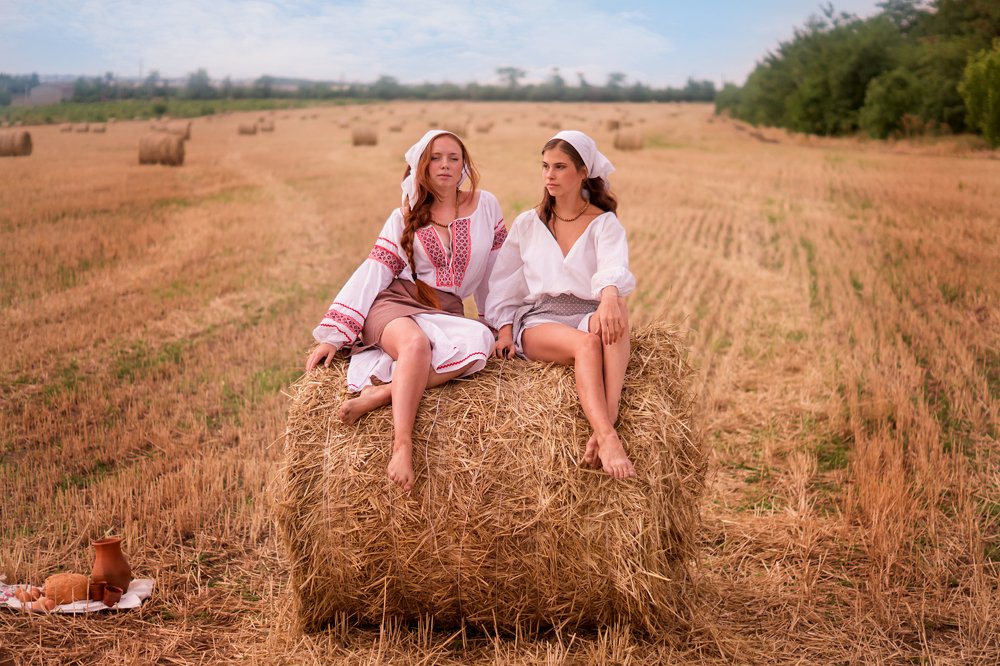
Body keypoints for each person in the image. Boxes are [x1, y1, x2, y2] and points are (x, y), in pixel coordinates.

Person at [306, 130, 507, 491]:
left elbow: (496, 272)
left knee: (480, 340)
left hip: (445, 311)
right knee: (416, 346)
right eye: (436, 158)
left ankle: (383, 393)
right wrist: (333, 337)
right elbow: (374, 271)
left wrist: (501, 324)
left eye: (454, 158)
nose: (445, 165)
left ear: (464, 166)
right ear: (421, 166)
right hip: (395, 303)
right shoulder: (402, 216)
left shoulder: (486, 206)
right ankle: (402, 445)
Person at [487, 130, 636, 479]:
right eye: (545, 166)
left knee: (617, 307)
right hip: (542, 320)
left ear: (583, 172)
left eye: (559, 167)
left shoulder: (604, 223)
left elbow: (613, 267)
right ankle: (608, 437)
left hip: (588, 312)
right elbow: (504, 282)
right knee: (587, 345)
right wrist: (505, 330)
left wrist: (609, 297)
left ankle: (608, 417)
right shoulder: (529, 223)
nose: (549, 175)